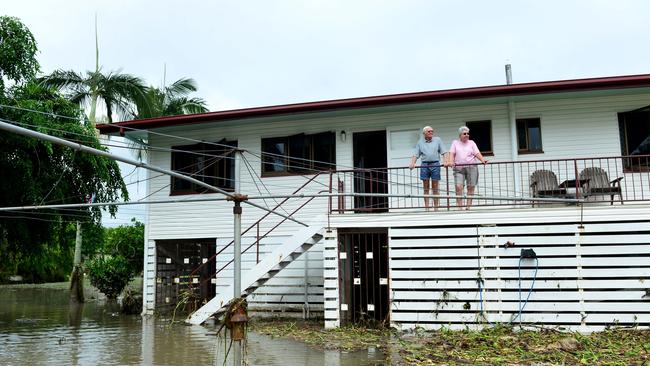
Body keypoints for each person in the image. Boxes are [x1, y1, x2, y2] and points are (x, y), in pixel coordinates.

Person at [447, 126, 488, 210]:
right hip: (458, 168)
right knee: (458, 186)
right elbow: (451, 153)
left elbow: (477, 153)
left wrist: (482, 160)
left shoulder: (472, 143)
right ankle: (460, 207)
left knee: (471, 187)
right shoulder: (455, 143)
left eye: (468, 133)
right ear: (460, 135)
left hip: (471, 167)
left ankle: (468, 207)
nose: (467, 135)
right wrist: (451, 161)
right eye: (464, 133)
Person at [409, 126, 448, 210]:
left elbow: (444, 152)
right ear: (424, 133)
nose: (431, 132)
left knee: (435, 187)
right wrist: (412, 163)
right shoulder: (420, 142)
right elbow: (416, 154)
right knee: (426, 187)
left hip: (435, 164)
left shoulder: (438, 140)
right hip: (425, 165)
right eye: (429, 131)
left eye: (432, 131)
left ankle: (436, 208)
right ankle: (427, 207)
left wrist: (445, 161)